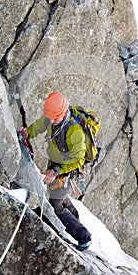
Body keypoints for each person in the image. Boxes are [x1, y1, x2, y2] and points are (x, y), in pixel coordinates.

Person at [19, 91, 92, 251]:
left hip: (67, 171)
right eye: (50, 118)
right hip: (56, 166)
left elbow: (78, 159)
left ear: (63, 113)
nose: (51, 121)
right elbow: (39, 125)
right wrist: (27, 133)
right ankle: (75, 218)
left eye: (54, 119)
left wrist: (56, 171)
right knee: (59, 196)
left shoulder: (75, 132)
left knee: (54, 204)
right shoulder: (52, 117)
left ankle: (83, 236)